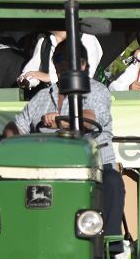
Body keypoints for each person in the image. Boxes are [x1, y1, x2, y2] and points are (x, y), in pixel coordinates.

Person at [13, 42, 123, 239]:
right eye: (58, 60)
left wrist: (60, 122)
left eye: (68, 61)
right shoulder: (42, 97)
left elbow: (90, 119)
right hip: (47, 166)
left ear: (83, 65)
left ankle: (111, 244)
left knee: (113, 181)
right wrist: (7, 142)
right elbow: (17, 125)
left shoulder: (96, 91)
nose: (62, 66)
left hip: (93, 165)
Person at [18, 30, 103, 89]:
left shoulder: (87, 38)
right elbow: (31, 71)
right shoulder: (44, 41)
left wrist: (50, 77)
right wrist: (26, 80)